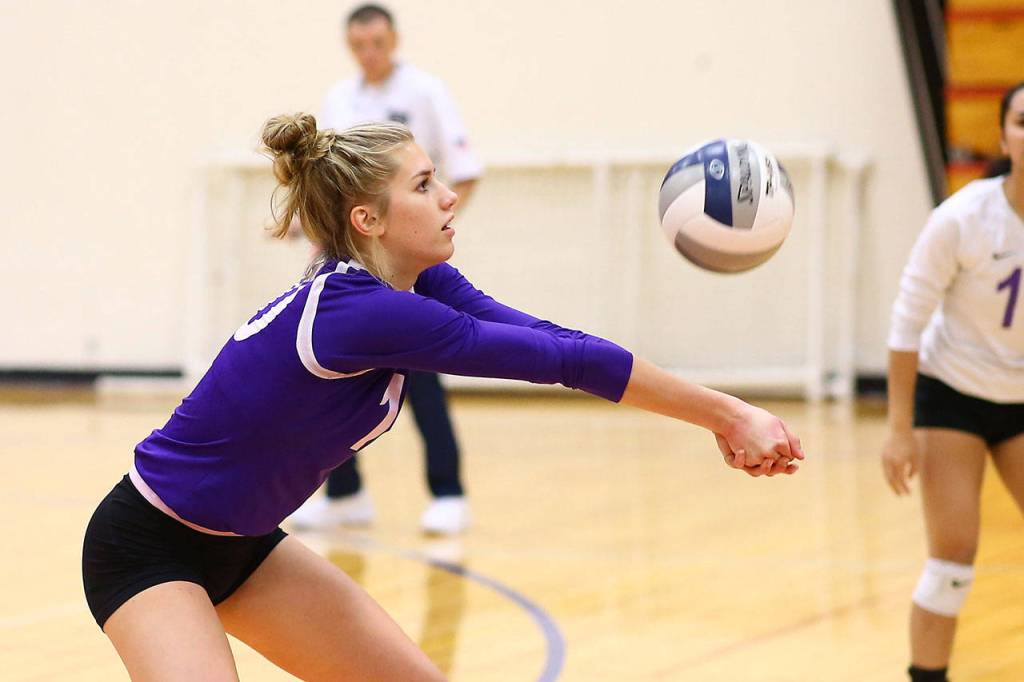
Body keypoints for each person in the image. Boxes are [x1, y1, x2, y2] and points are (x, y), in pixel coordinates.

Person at [82, 113, 804, 681]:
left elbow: (553, 340)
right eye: (424, 184)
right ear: (369, 219)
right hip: (148, 545)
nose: (449, 194)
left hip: (247, 548)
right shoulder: (361, 312)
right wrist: (728, 412)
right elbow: (561, 360)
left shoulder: (415, 283)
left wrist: (723, 413)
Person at [290, 3, 483, 535]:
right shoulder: (339, 99)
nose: (369, 53)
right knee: (333, 374)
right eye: (358, 46)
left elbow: (464, 172)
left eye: (377, 42)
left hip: (403, 262)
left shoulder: (426, 92)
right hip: (350, 264)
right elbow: (329, 188)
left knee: (422, 375)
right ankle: (345, 492)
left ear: (393, 39)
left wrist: (420, 233)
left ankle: (448, 492)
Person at [881, 80, 1024, 682]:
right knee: (954, 559)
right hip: (954, 396)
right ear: (1004, 136)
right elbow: (907, 322)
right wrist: (898, 429)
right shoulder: (965, 218)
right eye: (1023, 122)